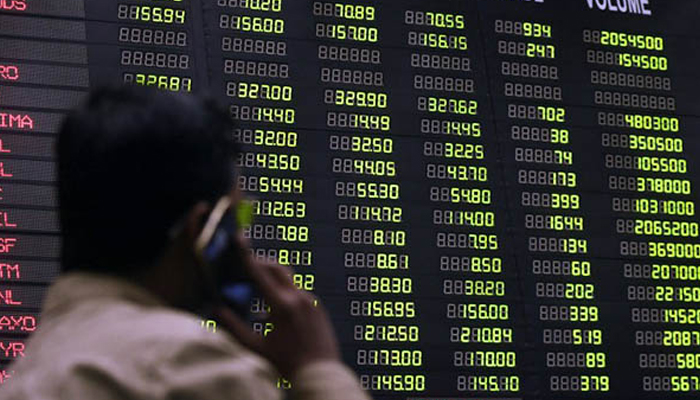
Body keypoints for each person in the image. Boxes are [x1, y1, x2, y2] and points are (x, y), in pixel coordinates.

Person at [0, 86, 371, 400]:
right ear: (201, 228)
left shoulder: (30, 370)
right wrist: (318, 369)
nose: (244, 241)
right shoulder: (183, 364)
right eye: (239, 218)